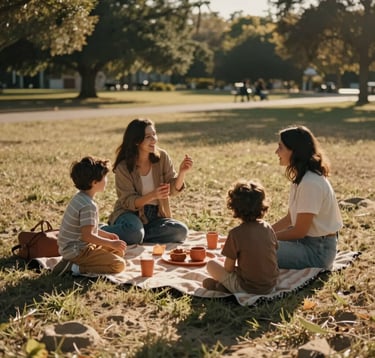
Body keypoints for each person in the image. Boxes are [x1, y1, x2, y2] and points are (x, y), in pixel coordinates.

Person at [102, 118, 193, 245]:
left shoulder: (162, 157)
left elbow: (172, 190)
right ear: (136, 141)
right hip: (129, 213)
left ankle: (137, 234)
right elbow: (128, 202)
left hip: (155, 215)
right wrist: (153, 195)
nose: (154, 139)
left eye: (154, 134)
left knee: (180, 231)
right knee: (134, 231)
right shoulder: (123, 167)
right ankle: (101, 231)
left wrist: (182, 172)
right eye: (148, 137)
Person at [273, 125, 343, 270]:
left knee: (255, 250)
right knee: (254, 245)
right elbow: (289, 219)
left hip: (318, 252)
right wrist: (262, 233)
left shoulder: (310, 183)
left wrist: (264, 239)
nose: (276, 152)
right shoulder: (302, 178)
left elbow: (299, 231)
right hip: (305, 243)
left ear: (294, 151)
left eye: (280, 147)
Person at [53, 156, 127, 276]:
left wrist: (107, 236)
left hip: (77, 246)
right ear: (94, 182)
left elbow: (88, 229)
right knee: (118, 265)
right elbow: (87, 236)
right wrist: (110, 243)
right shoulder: (88, 206)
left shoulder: (80, 197)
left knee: (118, 251)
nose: (107, 180)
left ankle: (75, 262)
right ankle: (73, 268)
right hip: (77, 251)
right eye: (104, 177)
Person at [203, 180, 279, 294]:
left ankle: (226, 287)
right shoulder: (268, 228)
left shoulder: (236, 234)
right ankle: (225, 287)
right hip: (271, 286)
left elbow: (229, 268)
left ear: (234, 207)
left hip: (247, 288)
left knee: (211, 265)